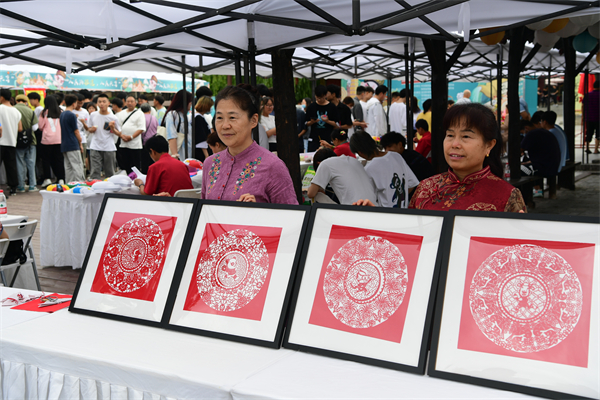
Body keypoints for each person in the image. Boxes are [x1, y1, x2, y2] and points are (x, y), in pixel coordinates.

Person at [409, 103, 526, 212]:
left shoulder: (508, 196)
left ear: (489, 145)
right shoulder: (425, 188)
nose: (454, 144)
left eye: (466, 136)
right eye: (450, 135)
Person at [201, 85, 297, 204]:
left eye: (232, 117)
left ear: (253, 120)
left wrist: (259, 211)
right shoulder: (210, 164)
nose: (225, 125)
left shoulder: (273, 166)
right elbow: (204, 214)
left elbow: (290, 217)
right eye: (219, 117)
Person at [350, 130, 418, 208]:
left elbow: (369, 200)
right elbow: (412, 183)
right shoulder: (396, 156)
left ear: (360, 152)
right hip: (405, 212)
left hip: (386, 216)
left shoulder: (368, 169)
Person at [307, 147, 377, 205]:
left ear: (319, 163)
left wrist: (318, 188)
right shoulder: (353, 160)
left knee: (317, 195)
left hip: (354, 209)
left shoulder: (325, 164)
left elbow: (310, 194)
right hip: (372, 205)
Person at [520, 120, 560, 197]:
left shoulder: (531, 134)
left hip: (545, 168)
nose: (523, 134)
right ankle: (537, 191)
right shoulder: (544, 132)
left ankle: (526, 199)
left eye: (522, 132)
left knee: (518, 170)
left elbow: (519, 151)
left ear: (526, 128)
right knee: (527, 166)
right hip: (552, 165)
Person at [88, 94, 120, 179]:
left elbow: (119, 133)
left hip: (109, 147)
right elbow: (89, 128)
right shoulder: (93, 115)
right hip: (95, 146)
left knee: (110, 172)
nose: (101, 104)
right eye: (99, 102)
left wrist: (113, 128)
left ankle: (110, 190)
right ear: (97, 104)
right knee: (95, 171)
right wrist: (92, 129)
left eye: (104, 102)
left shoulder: (113, 117)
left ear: (108, 103)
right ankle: (95, 189)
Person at [112, 95, 146, 174]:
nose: (130, 103)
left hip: (135, 144)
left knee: (135, 165)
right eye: (128, 101)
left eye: (132, 101)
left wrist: (131, 137)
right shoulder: (121, 113)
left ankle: (136, 181)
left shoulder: (140, 113)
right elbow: (118, 127)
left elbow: (141, 128)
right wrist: (121, 136)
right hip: (123, 143)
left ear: (135, 103)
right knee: (125, 164)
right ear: (125, 102)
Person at [37, 95, 65, 186]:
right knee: (59, 160)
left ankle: (47, 179)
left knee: (46, 160)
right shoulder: (61, 111)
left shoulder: (44, 112)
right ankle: (61, 178)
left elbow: (40, 127)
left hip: (47, 140)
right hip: (59, 139)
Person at [0, 89, 23, 195]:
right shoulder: (16, 112)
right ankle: (13, 187)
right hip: (12, 142)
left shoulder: (0, 108)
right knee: (11, 166)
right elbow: (20, 128)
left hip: (1, 141)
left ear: (2, 97)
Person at [14, 95, 38, 192]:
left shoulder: (13, 110)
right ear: (26, 101)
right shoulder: (30, 111)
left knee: (20, 163)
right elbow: (35, 127)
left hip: (17, 140)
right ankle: (32, 185)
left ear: (16, 101)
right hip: (30, 140)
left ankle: (21, 185)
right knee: (31, 163)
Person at [59, 94, 86, 183]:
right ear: (74, 104)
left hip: (64, 144)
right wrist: (80, 142)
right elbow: (76, 131)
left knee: (68, 167)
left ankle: (69, 184)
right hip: (72, 143)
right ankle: (80, 184)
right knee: (77, 165)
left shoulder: (62, 114)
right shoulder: (72, 115)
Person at [305, 85, 339, 152]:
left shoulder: (332, 107)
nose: (319, 100)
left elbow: (336, 125)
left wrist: (327, 121)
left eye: (321, 98)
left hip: (328, 139)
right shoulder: (311, 107)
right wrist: (312, 122)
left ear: (326, 95)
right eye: (317, 98)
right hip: (314, 139)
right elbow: (306, 123)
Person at [164, 89, 192, 159]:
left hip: (186, 154)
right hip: (179, 154)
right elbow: (171, 135)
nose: (191, 104)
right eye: (190, 102)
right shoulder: (173, 114)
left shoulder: (184, 115)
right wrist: (175, 155)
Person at [72, 93, 90, 174]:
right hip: (73, 138)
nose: (79, 105)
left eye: (81, 103)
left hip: (83, 138)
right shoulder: (71, 111)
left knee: (82, 158)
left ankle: (83, 173)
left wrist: (83, 123)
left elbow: (88, 127)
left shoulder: (85, 111)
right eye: (78, 103)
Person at [582, 80, 599, 154]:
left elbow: (583, 106)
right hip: (598, 118)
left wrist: (583, 116)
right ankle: (596, 149)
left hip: (589, 117)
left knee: (588, 133)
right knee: (598, 134)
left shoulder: (587, 95)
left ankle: (587, 148)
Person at [195, 95, 214, 161]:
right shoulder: (198, 118)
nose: (211, 108)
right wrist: (206, 155)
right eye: (210, 106)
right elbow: (201, 138)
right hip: (201, 153)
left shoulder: (199, 117)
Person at [140, 103, 158, 173]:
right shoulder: (153, 117)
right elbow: (156, 127)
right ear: (150, 110)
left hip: (144, 142)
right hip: (153, 141)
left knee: (144, 160)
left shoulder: (141, 118)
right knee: (152, 160)